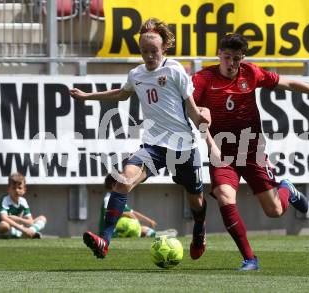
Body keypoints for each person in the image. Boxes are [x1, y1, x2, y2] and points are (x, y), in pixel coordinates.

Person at [192, 33, 309, 270]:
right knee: (225, 198)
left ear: (243, 58)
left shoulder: (250, 72)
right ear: (219, 54)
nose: (231, 63)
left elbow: (289, 83)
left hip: (252, 151)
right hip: (221, 153)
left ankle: (286, 190)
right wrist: (210, 143)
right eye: (227, 57)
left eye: (236, 58)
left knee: (275, 211)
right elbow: (192, 111)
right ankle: (250, 259)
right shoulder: (203, 78)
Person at [70, 18, 210, 260]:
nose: (149, 56)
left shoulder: (176, 70)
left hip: (182, 146)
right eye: (144, 51)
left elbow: (193, 109)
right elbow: (122, 94)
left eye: (153, 51)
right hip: (153, 145)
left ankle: (199, 230)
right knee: (123, 180)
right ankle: (105, 240)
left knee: (196, 201)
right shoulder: (136, 74)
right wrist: (87, 96)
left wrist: (203, 118)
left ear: (164, 47)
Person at [99, 174, 178, 238]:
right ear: (114, 185)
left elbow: (132, 212)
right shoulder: (108, 198)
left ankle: (158, 234)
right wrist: (126, 214)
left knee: (145, 229)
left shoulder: (118, 198)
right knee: (141, 229)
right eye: (121, 183)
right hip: (111, 232)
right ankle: (161, 235)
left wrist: (149, 221)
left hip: (119, 228)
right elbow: (108, 213)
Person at [0, 172, 47, 239]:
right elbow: (4, 218)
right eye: (13, 188)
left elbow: (30, 221)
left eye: (20, 188)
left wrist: (18, 219)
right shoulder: (4, 200)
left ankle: (29, 233)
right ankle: (22, 234)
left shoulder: (23, 201)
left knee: (42, 218)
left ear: (24, 190)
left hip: (18, 228)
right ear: (8, 189)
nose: (16, 190)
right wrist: (23, 229)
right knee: (4, 225)